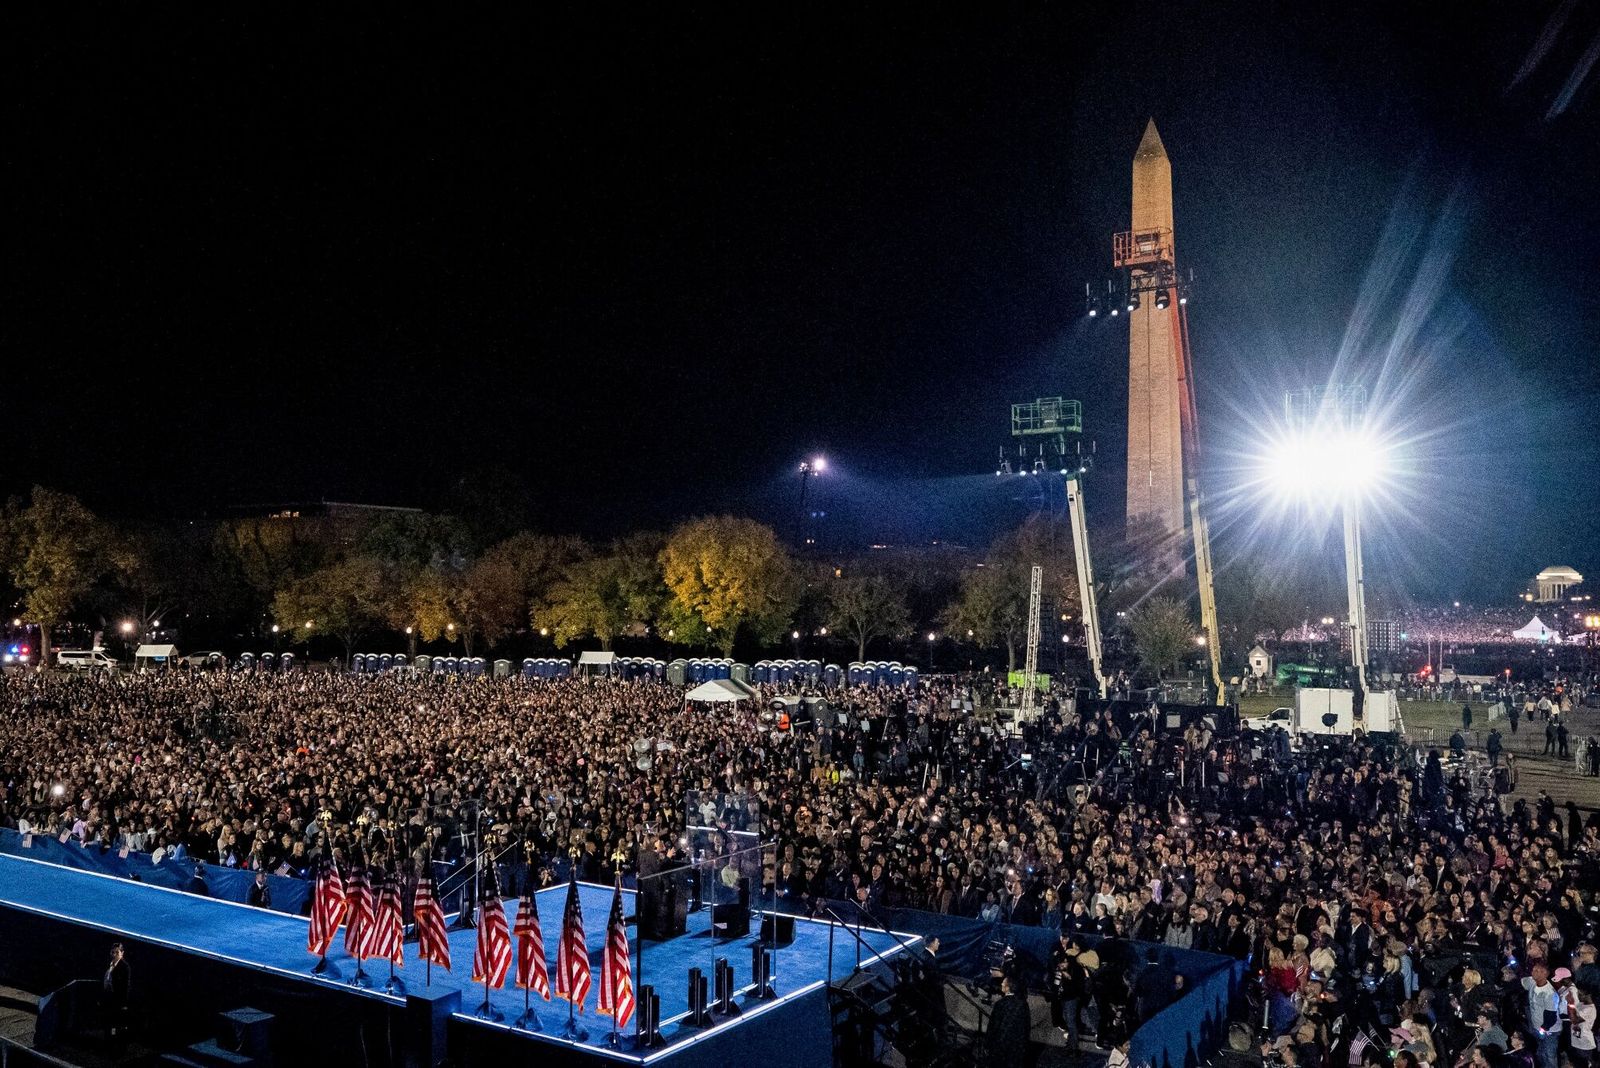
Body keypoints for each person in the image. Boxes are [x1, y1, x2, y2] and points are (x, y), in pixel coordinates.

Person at [985, 972, 1031, 1067]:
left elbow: (993, 1026)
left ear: (1008, 987)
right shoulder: (1023, 1004)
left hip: (1000, 1045)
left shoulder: (1001, 1004)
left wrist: (988, 1044)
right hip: (1017, 1046)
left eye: (1004, 983)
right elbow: (1026, 1026)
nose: (1001, 984)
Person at [103, 943, 130, 1046]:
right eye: (112, 952)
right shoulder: (110, 964)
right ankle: (108, 1040)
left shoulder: (124, 967)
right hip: (108, 999)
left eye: (117, 952)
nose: (114, 954)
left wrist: (123, 1004)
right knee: (108, 1022)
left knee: (115, 1024)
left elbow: (125, 987)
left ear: (122, 953)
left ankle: (114, 1043)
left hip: (117, 1002)